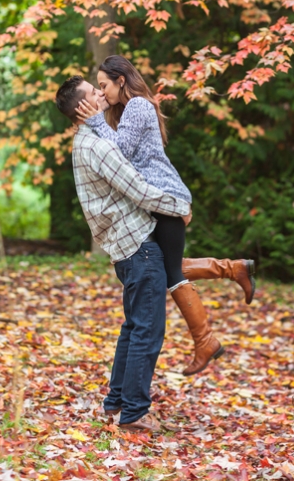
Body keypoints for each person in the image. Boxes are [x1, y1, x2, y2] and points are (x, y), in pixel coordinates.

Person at [55, 75, 221, 432]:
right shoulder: (97, 147)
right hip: (138, 248)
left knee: (133, 327)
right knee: (147, 330)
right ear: (83, 107)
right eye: (93, 91)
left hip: (125, 248)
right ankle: (134, 413)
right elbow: (139, 189)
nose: (101, 93)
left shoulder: (85, 141)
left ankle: (116, 402)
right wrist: (179, 206)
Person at [75, 56, 257, 361]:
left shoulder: (138, 106)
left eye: (104, 85)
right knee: (162, 266)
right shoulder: (127, 111)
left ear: (121, 80)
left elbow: (120, 153)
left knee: (171, 273)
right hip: (157, 199)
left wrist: (94, 121)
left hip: (163, 197)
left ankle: (206, 342)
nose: (101, 92)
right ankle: (234, 269)